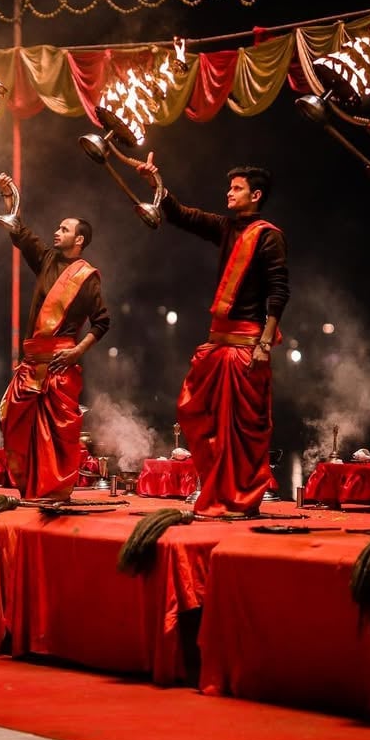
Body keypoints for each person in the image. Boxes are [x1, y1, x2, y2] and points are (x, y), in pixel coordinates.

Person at [138, 155, 289, 517]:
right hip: (217, 344)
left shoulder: (268, 236)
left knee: (241, 433)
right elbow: (181, 214)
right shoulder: (225, 228)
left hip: (246, 347)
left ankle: (238, 501)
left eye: (236, 189)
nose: (228, 193)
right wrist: (155, 182)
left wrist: (265, 345)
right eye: (230, 187)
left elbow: (279, 293)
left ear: (255, 195)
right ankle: (218, 492)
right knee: (191, 411)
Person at [0, 175, 110, 502]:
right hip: (32, 364)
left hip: (60, 365)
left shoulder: (87, 277)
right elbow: (19, 232)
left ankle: (56, 490)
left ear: (79, 239)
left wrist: (77, 352)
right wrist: (7, 196)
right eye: (58, 228)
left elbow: (102, 322)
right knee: (18, 423)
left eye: (64, 229)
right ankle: (31, 488)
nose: (57, 232)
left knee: (55, 433)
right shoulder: (46, 260)